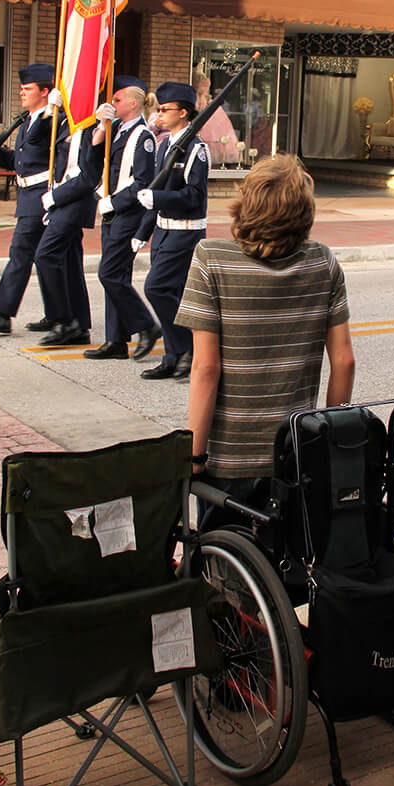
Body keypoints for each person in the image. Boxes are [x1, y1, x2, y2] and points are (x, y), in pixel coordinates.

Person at [177, 154, 355, 499]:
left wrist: (194, 457)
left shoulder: (210, 259)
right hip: (296, 453)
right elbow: (344, 361)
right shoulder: (323, 261)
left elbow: (205, 368)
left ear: (246, 203)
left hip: (228, 460)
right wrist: (326, 442)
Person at [0, 63, 63, 336]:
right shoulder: (28, 119)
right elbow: (20, 160)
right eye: (21, 88)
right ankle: (56, 313)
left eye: (28, 89)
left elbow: (41, 142)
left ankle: (2, 314)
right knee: (39, 256)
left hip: (40, 197)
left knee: (22, 254)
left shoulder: (49, 120)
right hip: (27, 196)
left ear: (45, 91)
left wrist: (48, 113)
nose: (22, 93)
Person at [84, 75, 161, 360]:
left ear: (132, 102)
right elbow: (91, 161)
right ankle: (116, 340)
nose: (111, 104)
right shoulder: (115, 129)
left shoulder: (143, 137)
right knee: (116, 275)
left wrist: (114, 203)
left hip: (127, 214)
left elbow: (143, 182)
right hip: (111, 211)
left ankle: (146, 326)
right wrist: (99, 130)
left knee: (109, 273)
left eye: (116, 100)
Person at [135, 81, 209, 380]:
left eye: (165, 110)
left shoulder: (196, 149)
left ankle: (190, 346)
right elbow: (157, 191)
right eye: (158, 109)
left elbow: (194, 196)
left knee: (156, 288)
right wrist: (143, 231)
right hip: (164, 231)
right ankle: (173, 355)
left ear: (183, 112)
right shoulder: (166, 145)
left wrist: (159, 198)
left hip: (185, 232)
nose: (159, 114)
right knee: (173, 292)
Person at [33, 89, 105, 346]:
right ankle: (79, 325)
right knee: (70, 262)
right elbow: (34, 140)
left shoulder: (94, 127)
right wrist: (47, 112)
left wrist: (57, 197)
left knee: (45, 255)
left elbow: (88, 177)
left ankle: (63, 321)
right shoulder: (63, 122)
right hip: (60, 199)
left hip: (74, 201)